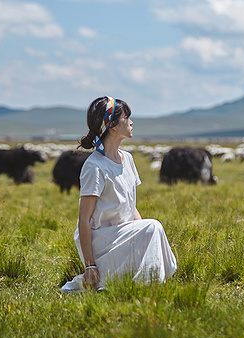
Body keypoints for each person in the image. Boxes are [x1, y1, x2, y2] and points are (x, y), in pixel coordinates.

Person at [61, 96, 177, 292]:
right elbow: (83, 219)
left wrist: (148, 238)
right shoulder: (94, 166)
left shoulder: (128, 159)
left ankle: (146, 283)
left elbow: (130, 206)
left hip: (122, 234)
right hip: (102, 241)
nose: (131, 122)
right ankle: (143, 284)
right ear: (112, 125)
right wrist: (90, 265)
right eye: (126, 117)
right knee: (153, 226)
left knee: (152, 229)